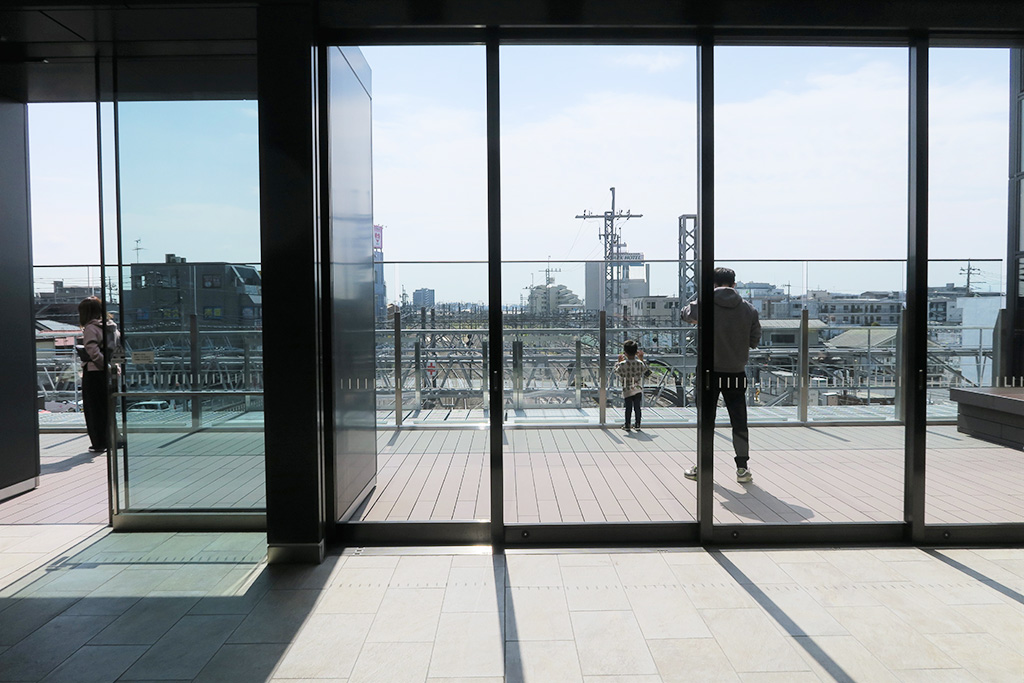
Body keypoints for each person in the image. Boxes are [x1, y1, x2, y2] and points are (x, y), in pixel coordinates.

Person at [680, 267, 761, 483]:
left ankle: (702, 466)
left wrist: (703, 296)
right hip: (735, 372)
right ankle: (742, 468)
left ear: (713, 284)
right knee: (739, 421)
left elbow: (685, 314)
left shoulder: (705, 304)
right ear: (734, 284)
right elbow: (754, 340)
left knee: (706, 421)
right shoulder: (749, 309)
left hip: (708, 373)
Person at [78, 296, 120, 454]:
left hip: (95, 372)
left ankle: (99, 442)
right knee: (108, 408)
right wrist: (113, 367)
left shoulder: (91, 328)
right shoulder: (112, 327)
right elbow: (117, 349)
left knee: (94, 409)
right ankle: (113, 438)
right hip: (111, 371)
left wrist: (104, 365)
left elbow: (93, 351)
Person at [614, 339, 648, 432]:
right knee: (637, 408)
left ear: (625, 353)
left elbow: (616, 372)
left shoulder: (622, 364)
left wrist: (618, 362)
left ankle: (627, 424)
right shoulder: (639, 363)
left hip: (627, 389)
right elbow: (646, 371)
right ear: (636, 352)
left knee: (628, 408)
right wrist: (641, 359)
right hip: (637, 388)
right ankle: (637, 424)